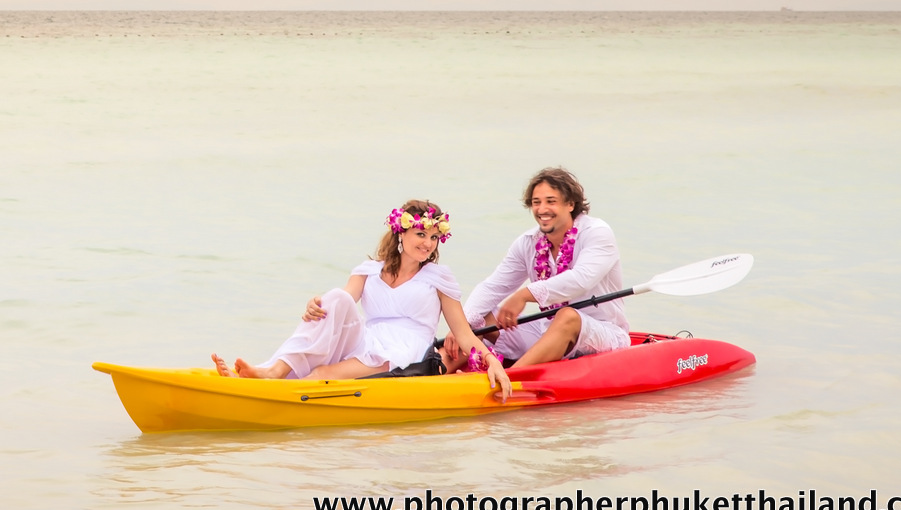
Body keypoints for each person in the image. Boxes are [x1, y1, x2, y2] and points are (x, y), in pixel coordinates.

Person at [213, 200, 510, 401]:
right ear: (400, 233)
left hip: (405, 348)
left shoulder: (438, 277)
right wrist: (315, 307)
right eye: (420, 233)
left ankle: (269, 381)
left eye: (433, 237)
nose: (427, 243)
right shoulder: (368, 271)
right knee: (336, 298)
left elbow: (462, 332)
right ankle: (272, 371)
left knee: (323, 374)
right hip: (367, 339)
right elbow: (339, 308)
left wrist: (489, 360)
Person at [447, 167, 629, 369]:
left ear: (570, 204)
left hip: (603, 335)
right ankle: (432, 374)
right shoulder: (528, 242)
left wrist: (524, 295)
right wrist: (461, 327)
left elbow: (581, 279)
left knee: (567, 315)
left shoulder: (596, 233)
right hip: (543, 332)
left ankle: (509, 378)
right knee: (478, 316)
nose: (542, 209)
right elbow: (492, 287)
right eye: (536, 202)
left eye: (551, 201)